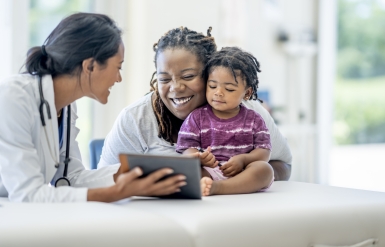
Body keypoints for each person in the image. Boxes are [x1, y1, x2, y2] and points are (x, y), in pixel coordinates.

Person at [0, 13, 186, 202]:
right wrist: (115, 193)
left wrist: (134, 171)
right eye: (118, 67)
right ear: (90, 66)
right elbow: (28, 195)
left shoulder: (66, 107)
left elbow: (70, 178)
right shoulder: (13, 97)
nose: (118, 78)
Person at [99, 27, 292, 182]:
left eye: (188, 76)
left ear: (211, 72)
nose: (175, 87)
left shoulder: (247, 111)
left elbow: (283, 165)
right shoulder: (135, 119)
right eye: (164, 79)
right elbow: (105, 178)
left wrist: (239, 176)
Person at [176, 47, 274, 196]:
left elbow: (264, 151)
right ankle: (209, 185)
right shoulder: (196, 118)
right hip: (208, 172)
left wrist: (243, 159)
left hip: (243, 173)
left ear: (247, 93)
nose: (218, 92)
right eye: (212, 86)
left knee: (265, 170)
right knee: (187, 169)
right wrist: (199, 158)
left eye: (229, 89)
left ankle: (219, 188)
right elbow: (186, 149)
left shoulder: (254, 119)